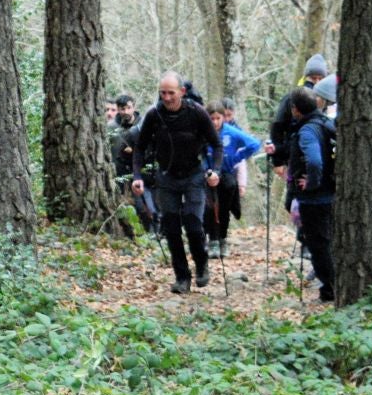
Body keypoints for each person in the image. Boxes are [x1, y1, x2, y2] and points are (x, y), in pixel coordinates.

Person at [131, 71, 222, 293]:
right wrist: (137, 176)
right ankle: (182, 277)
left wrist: (216, 172)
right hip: (166, 177)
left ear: (182, 92)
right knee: (171, 229)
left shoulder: (197, 113)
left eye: (171, 93)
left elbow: (216, 145)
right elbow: (140, 147)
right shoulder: (154, 116)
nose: (167, 97)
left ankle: (202, 265)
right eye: (162, 93)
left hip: (193, 176)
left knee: (193, 225)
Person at [284, 87, 336, 302]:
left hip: (314, 199)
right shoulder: (326, 124)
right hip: (330, 196)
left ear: (296, 110)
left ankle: (329, 291)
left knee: (318, 246)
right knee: (326, 243)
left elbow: (314, 161)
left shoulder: (307, 131)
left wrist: (312, 184)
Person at [205, 98, 262, 258]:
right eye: (212, 119)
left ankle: (222, 239)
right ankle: (213, 240)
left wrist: (237, 157)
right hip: (207, 175)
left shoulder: (231, 132)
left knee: (223, 209)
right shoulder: (203, 132)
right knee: (209, 208)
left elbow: (254, 144)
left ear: (224, 118)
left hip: (226, 174)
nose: (215, 122)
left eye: (218, 118)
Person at [108, 92, 156, 235]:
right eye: (122, 109)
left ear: (133, 107)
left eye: (128, 108)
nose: (125, 112)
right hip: (119, 173)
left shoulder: (144, 125)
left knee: (144, 205)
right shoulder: (111, 128)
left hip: (142, 173)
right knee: (123, 206)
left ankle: (152, 232)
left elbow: (150, 148)